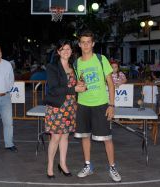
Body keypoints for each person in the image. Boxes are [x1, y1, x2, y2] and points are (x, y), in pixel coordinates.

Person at [73, 30, 121, 182]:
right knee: (85, 137)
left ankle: (112, 167)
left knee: (107, 138)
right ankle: (88, 165)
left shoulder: (101, 59)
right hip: (83, 105)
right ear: (79, 44)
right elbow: (78, 83)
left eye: (89, 42)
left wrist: (111, 105)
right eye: (83, 42)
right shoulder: (76, 63)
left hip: (101, 104)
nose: (86, 45)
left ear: (93, 44)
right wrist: (79, 85)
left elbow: (111, 84)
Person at [44, 40, 86, 179]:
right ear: (58, 52)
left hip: (70, 106)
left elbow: (75, 84)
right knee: (55, 137)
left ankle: (62, 164)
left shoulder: (73, 66)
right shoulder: (52, 67)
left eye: (68, 49)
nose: (66, 51)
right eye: (63, 49)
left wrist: (80, 85)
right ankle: (50, 166)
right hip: (57, 106)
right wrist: (74, 88)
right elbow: (54, 89)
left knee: (65, 136)